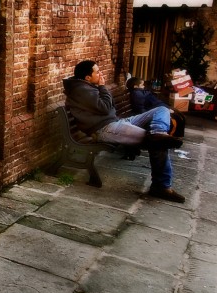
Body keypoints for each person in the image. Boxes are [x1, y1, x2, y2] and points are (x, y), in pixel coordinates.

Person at [64, 60, 185, 203]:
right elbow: (105, 107)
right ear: (87, 77)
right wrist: (102, 87)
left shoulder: (87, 86)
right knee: (159, 144)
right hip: (105, 129)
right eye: (97, 71)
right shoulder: (81, 90)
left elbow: (108, 107)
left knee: (161, 110)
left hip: (115, 123)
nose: (100, 73)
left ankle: (158, 132)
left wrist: (101, 90)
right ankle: (161, 186)